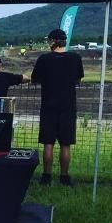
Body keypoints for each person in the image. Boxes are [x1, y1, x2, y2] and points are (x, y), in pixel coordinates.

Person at [31, 28, 84, 186]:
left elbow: (35, 79)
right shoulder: (75, 58)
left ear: (53, 41)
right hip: (68, 106)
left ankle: (46, 176)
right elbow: (78, 79)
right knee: (65, 144)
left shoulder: (44, 59)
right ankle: (64, 176)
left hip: (48, 106)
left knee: (48, 143)